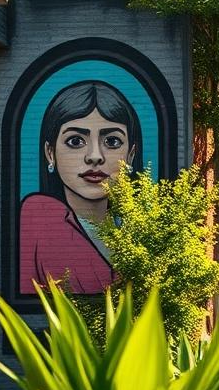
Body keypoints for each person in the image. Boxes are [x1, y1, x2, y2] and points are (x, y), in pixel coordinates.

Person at [19, 81, 141, 295]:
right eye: (76, 141)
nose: (95, 156)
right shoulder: (39, 218)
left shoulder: (142, 230)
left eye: (112, 141)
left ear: (130, 155)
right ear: (50, 153)